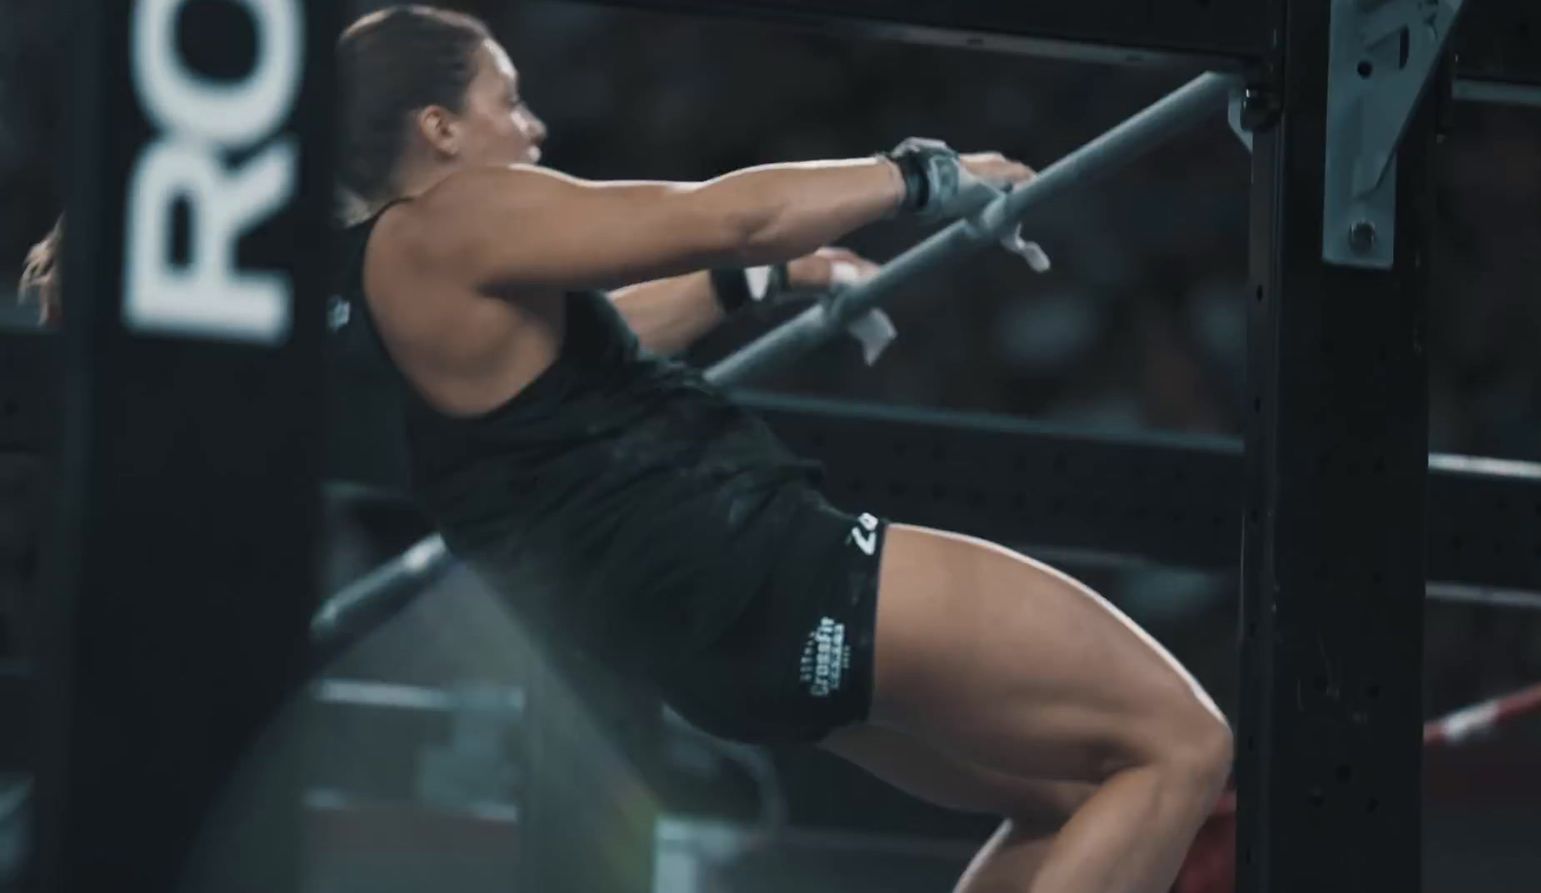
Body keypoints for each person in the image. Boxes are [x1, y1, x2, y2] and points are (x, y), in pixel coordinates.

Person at [26, 5, 1234, 890]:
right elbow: (723, 206)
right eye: (508, 96)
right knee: (1180, 744)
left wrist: (769, 275)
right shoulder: (456, 216)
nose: (534, 121)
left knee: (1074, 797)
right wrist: (918, 175)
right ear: (439, 126)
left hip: (707, 637)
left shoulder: (368, 290)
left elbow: (633, 314)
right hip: (753, 563)